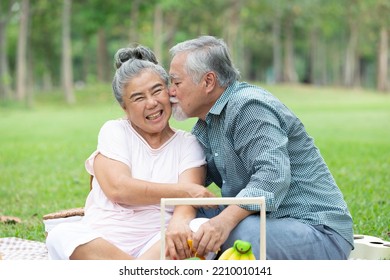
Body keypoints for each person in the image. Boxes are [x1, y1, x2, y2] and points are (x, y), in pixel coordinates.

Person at [167, 35, 354, 260]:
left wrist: (223, 222)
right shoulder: (206, 126)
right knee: (176, 217)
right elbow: (185, 182)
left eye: (176, 83)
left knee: (241, 234)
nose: (171, 92)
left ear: (208, 82)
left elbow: (272, 176)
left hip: (317, 231)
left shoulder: (248, 106)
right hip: (264, 224)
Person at [46, 45, 216, 260]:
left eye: (157, 91)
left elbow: (186, 205)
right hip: (103, 241)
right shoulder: (115, 131)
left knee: (199, 227)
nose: (152, 103)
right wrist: (186, 191)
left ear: (169, 91)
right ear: (124, 107)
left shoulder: (188, 143)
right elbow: (119, 189)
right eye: (138, 98)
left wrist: (180, 222)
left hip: (157, 242)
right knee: (62, 234)